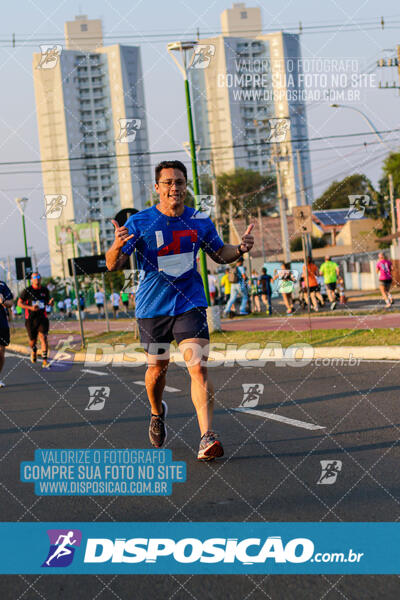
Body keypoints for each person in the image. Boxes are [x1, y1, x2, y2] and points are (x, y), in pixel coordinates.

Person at [105, 159, 254, 461]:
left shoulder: (200, 221)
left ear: (187, 187)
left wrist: (239, 250)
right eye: (168, 182)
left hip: (190, 302)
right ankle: (157, 411)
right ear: (157, 188)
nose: (175, 187)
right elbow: (113, 265)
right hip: (152, 307)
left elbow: (218, 253)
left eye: (180, 182)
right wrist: (117, 246)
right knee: (157, 369)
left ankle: (206, 436)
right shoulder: (140, 222)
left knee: (197, 365)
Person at [18, 272, 54, 368]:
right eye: (35, 277)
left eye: (38, 277)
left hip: (42, 317)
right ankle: (34, 351)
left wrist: (50, 303)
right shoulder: (27, 290)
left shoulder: (44, 290)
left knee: (43, 337)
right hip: (30, 319)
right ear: (31, 280)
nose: (37, 279)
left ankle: (45, 361)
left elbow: (47, 302)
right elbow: (19, 303)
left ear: (40, 279)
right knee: (32, 341)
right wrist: (30, 308)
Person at [0, 280, 14, 388]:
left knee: (0, 352)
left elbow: (11, 303)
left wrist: (3, 301)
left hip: (1, 323)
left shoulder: (2, 285)